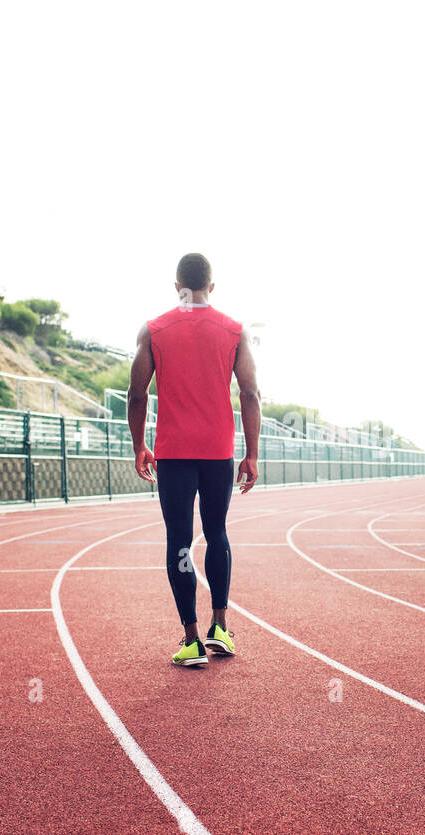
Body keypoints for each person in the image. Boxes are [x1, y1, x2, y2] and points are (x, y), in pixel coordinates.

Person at [128, 253, 261, 666]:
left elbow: (136, 394)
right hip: (218, 451)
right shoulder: (235, 331)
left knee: (179, 541)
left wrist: (139, 446)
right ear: (212, 286)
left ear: (177, 287)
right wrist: (252, 453)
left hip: (173, 453)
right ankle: (220, 627)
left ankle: (190, 641)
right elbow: (251, 394)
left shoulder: (154, 330)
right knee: (217, 532)